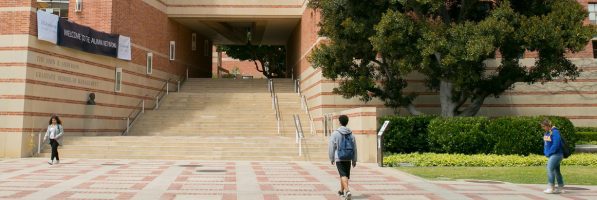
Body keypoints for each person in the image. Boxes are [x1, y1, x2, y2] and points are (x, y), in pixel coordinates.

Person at [328, 115, 357, 199]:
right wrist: (354, 160)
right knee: (344, 175)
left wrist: (331, 158)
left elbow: (331, 146)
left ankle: (347, 191)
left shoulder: (335, 133)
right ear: (347, 122)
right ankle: (341, 191)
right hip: (348, 157)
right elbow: (355, 148)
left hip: (339, 157)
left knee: (343, 175)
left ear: (339, 122)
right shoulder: (351, 134)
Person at [541, 119, 564, 194]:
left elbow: (556, 144)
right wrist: (546, 152)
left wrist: (549, 153)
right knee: (556, 171)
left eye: (544, 126)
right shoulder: (547, 132)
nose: (543, 128)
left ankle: (551, 187)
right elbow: (546, 144)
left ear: (548, 125)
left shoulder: (555, 132)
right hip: (553, 154)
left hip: (557, 154)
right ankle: (560, 187)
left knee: (549, 168)